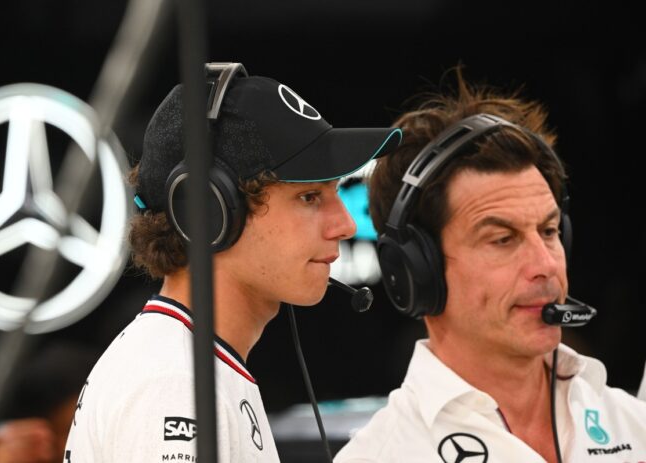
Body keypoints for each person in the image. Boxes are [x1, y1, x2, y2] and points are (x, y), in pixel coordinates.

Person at [63, 63, 402, 462]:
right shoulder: (176, 384)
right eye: (309, 197)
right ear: (209, 212)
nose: (346, 225)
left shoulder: (187, 366)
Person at [334, 69, 646, 462]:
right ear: (416, 271)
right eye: (502, 239)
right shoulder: (380, 456)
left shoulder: (635, 427)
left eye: (549, 231)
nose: (545, 264)